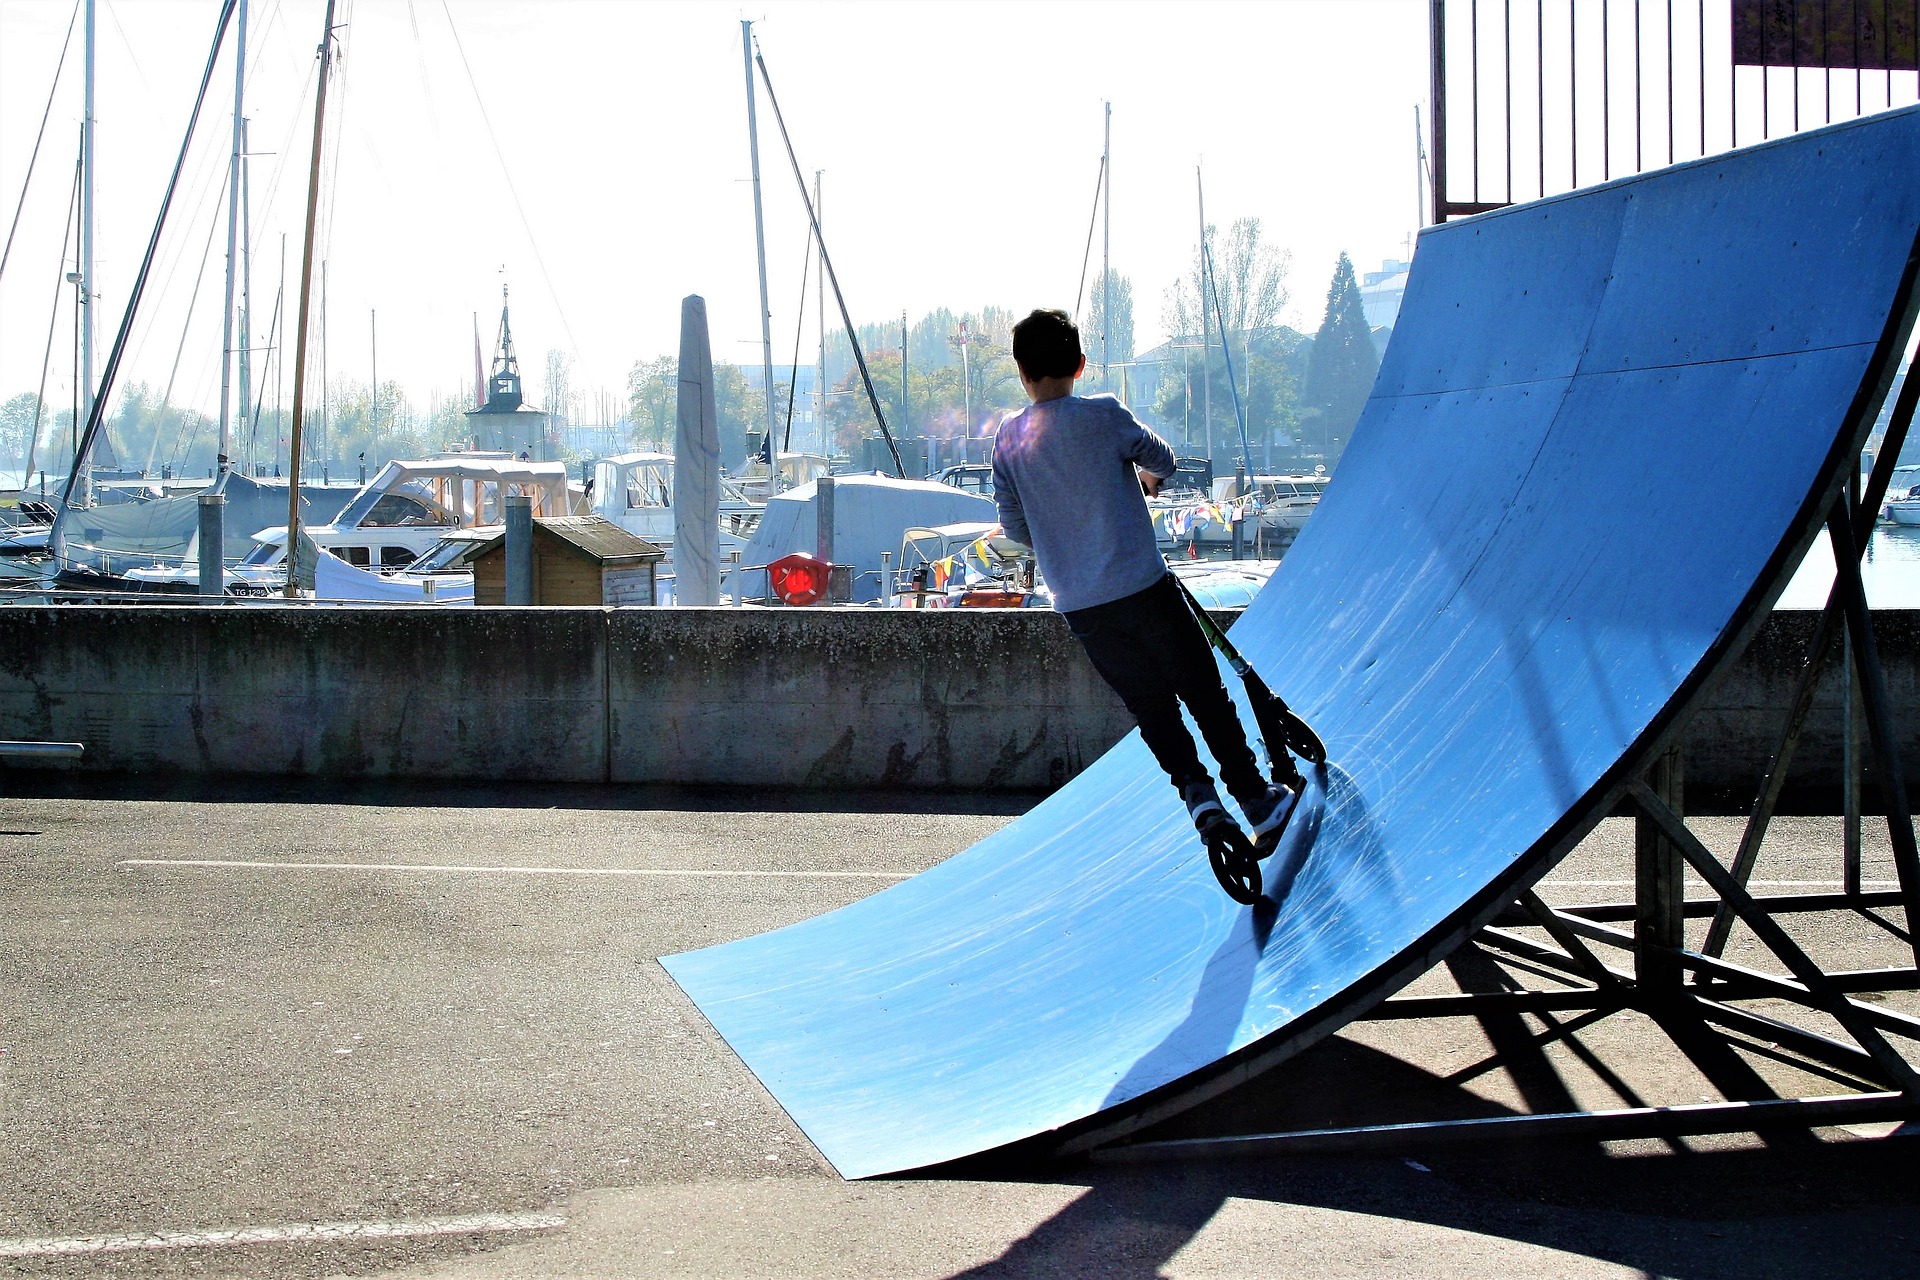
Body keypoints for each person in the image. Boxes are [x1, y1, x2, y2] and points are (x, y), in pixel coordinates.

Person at [992, 308, 1295, 850]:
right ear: (1082, 365)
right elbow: (1164, 460)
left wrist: (1065, 541)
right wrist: (1143, 476)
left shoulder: (1009, 439)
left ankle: (1198, 797)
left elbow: (1014, 525)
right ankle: (1255, 798)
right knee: (1204, 693)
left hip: (1082, 607)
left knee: (1151, 707)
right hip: (1145, 587)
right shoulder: (1105, 414)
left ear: (1021, 372)